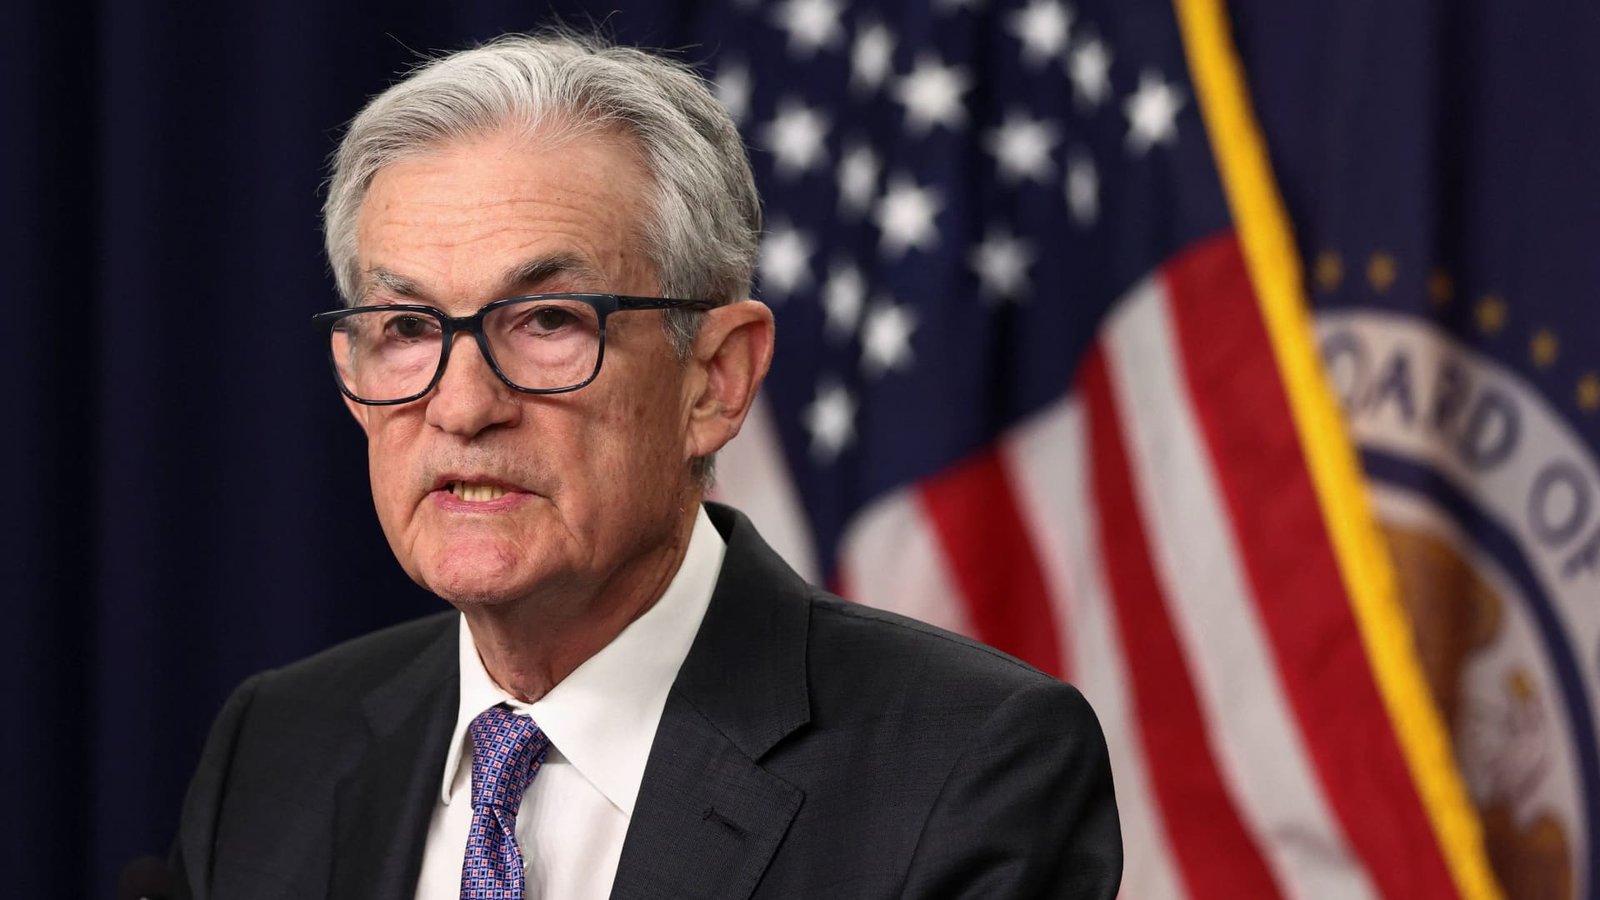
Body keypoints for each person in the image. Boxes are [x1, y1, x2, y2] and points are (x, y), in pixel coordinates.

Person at [173, 32, 1121, 900]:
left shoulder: (969, 766)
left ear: (716, 378)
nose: (461, 406)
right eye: (409, 329)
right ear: (351, 375)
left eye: (548, 321)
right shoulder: (275, 749)